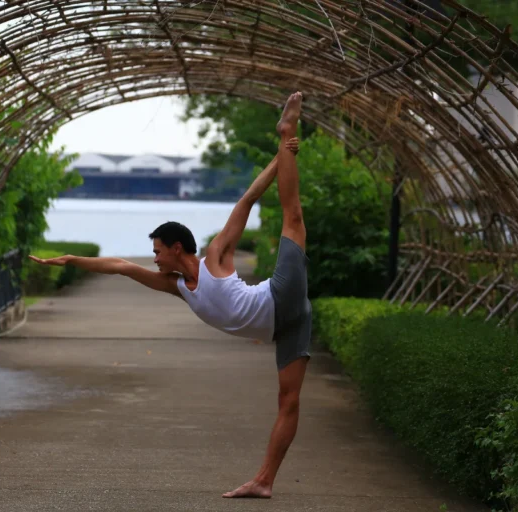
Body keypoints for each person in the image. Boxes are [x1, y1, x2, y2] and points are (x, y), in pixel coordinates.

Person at [29, 92, 311, 499]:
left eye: (158, 251)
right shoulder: (176, 287)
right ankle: (263, 482)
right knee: (288, 402)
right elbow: (122, 266)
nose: (155, 258)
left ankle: (287, 130)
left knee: (292, 217)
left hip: (280, 295)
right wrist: (71, 259)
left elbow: (247, 200)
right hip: (289, 327)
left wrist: (282, 155)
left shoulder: (216, 255)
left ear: (177, 248)